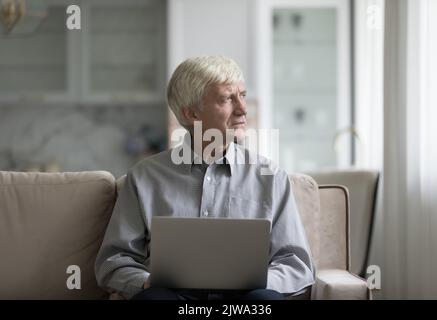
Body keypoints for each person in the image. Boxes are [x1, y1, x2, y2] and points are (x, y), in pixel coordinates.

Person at [95, 56, 314, 300]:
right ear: (192, 113)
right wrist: (144, 283)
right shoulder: (144, 177)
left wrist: (264, 282)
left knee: (266, 299)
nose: (243, 109)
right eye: (228, 98)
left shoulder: (270, 177)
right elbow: (113, 261)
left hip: (244, 302)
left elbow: (296, 263)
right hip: (175, 300)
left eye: (243, 95)